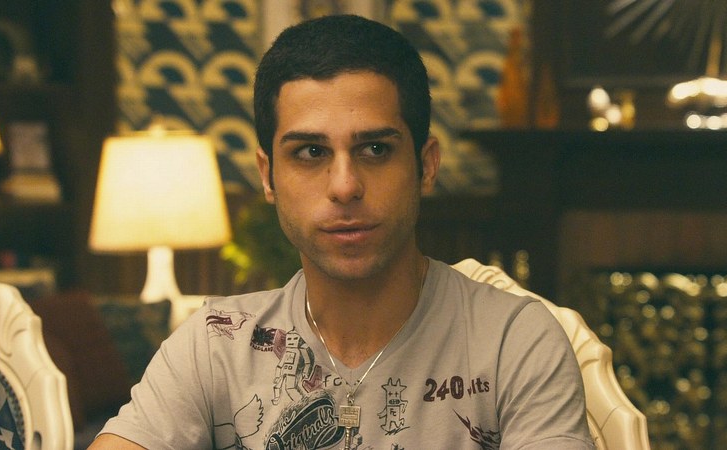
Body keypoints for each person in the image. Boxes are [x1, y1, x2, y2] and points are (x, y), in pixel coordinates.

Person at [90, 14, 594, 449]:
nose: (345, 186)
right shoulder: (216, 343)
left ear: (426, 165)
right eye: (310, 152)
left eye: (375, 149)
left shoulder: (514, 340)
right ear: (268, 176)